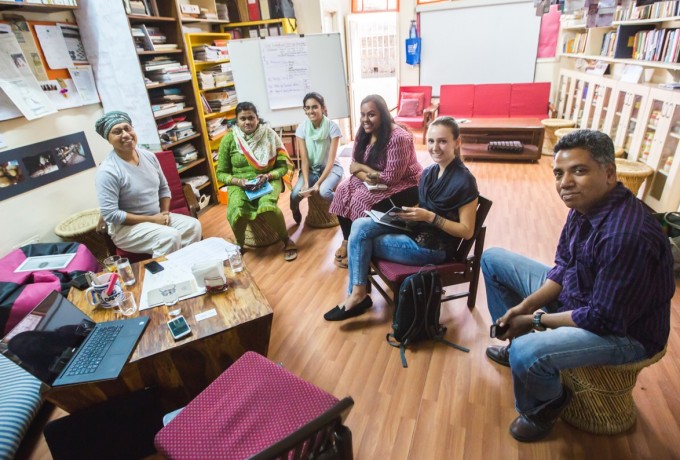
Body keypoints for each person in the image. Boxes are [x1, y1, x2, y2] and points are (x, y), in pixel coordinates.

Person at [481, 130, 674, 442]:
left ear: (609, 173)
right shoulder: (583, 208)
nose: (565, 183)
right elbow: (563, 267)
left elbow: (602, 318)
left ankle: (543, 407)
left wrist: (534, 320)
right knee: (493, 260)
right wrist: (523, 307)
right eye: (559, 173)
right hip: (583, 299)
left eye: (579, 170)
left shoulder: (625, 236)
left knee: (529, 352)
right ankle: (517, 348)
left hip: (627, 333)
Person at [324, 116, 478, 321]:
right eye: (431, 141)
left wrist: (431, 217)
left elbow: (467, 231)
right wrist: (407, 215)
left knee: (360, 239)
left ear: (457, 142)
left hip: (433, 248)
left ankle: (357, 295)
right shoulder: (430, 172)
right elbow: (424, 209)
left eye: (442, 141)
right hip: (416, 231)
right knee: (359, 225)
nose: (435, 147)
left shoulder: (464, 181)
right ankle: (358, 294)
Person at [329, 94, 422, 268]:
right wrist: (365, 176)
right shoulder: (363, 132)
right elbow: (353, 166)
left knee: (361, 199)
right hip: (374, 178)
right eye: (363, 114)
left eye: (371, 115)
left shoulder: (398, 138)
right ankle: (348, 239)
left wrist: (362, 168)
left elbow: (391, 178)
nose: (365, 119)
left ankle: (358, 248)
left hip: (406, 183)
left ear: (383, 115)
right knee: (342, 191)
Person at [95, 111, 202, 258]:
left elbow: (164, 188)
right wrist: (153, 220)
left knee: (193, 226)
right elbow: (111, 214)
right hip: (126, 229)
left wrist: (164, 214)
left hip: (156, 216)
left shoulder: (149, 156)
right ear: (109, 140)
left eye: (127, 128)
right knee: (169, 237)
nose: (125, 134)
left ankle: (185, 265)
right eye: (117, 132)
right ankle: (163, 272)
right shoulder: (108, 171)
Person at [216, 102, 298, 261]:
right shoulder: (229, 140)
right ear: (236, 120)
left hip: (267, 179)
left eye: (251, 118)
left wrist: (267, 176)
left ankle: (286, 239)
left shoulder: (269, 135)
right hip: (240, 183)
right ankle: (239, 244)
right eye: (243, 118)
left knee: (267, 207)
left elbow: (282, 168)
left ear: (257, 118)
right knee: (237, 209)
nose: (247, 122)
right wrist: (238, 181)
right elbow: (221, 173)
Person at [290, 92, 344, 225]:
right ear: (304, 110)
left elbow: (331, 161)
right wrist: (306, 183)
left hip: (331, 168)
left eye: (314, 107)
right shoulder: (302, 128)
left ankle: (345, 207)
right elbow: (304, 159)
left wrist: (318, 184)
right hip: (311, 169)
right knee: (294, 195)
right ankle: (294, 210)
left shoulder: (333, 127)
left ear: (323, 108)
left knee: (324, 192)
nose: (311, 111)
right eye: (307, 108)